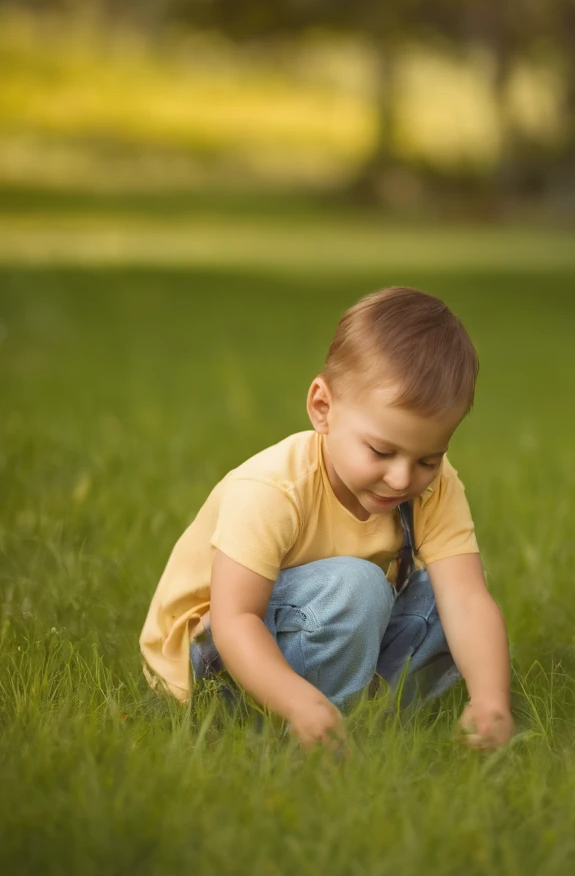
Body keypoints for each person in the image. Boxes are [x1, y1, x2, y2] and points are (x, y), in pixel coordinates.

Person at [140, 286, 514, 752]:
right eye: (381, 450)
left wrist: (491, 699)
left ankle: (354, 716)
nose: (402, 478)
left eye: (428, 459)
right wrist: (297, 700)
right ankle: (299, 721)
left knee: (447, 598)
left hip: (326, 620)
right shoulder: (273, 489)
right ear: (323, 408)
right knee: (357, 586)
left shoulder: (435, 487)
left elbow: (467, 600)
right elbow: (236, 619)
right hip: (217, 657)